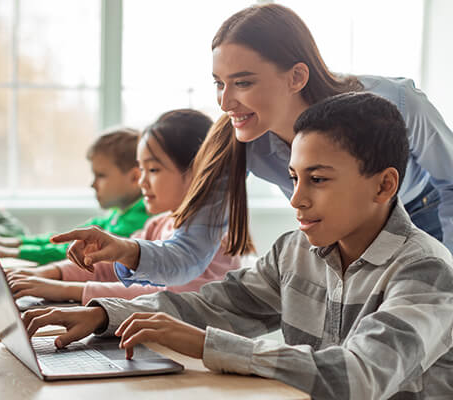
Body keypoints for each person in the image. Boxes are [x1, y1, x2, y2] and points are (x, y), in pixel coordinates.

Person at [23, 93, 453, 400]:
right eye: (294, 177)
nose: (296, 198)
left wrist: (208, 344)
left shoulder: (426, 272)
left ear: (384, 185)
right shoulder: (294, 251)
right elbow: (211, 305)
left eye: (317, 179)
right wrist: (103, 314)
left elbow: (358, 378)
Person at [50, 3, 453, 288]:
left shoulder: (396, 102)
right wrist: (124, 250)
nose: (225, 103)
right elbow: (191, 253)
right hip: (340, 235)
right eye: (219, 84)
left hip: (424, 219)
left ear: (296, 76)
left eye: (243, 83)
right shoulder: (240, 140)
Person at [6, 110, 240, 304]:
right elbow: (108, 266)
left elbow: (167, 298)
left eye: (153, 170)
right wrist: (45, 275)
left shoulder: (214, 239)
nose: (141, 181)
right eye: (142, 170)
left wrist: (64, 290)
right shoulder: (157, 225)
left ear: (195, 171)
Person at [0, 129, 149, 264]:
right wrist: (13, 242)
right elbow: (65, 239)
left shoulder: (141, 219)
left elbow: (73, 253)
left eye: (101, 176)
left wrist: (9, 252)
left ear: (134, 178)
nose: (92, 184)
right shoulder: (116, 214)